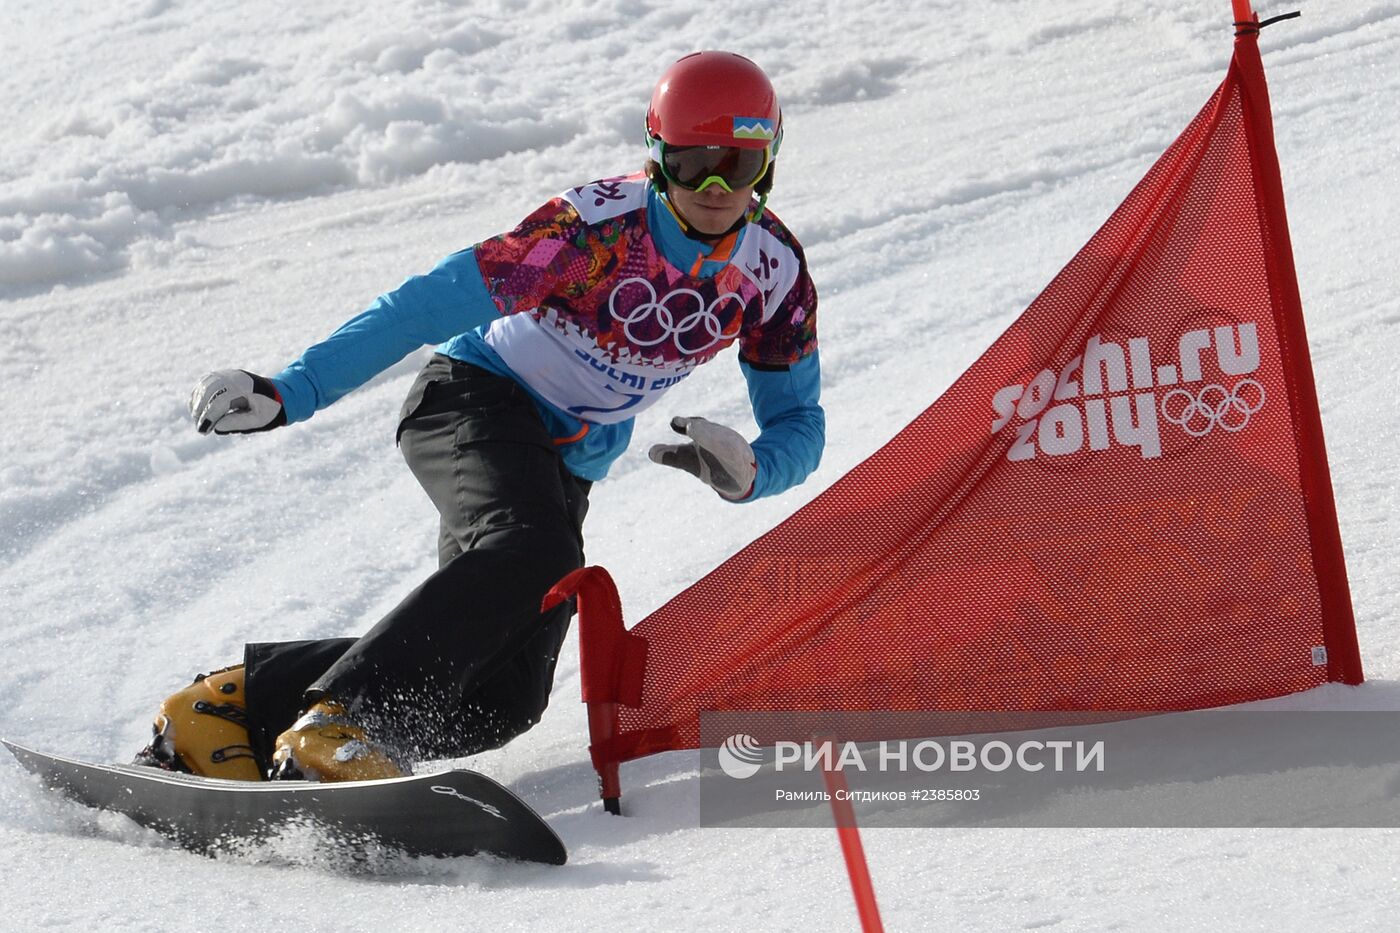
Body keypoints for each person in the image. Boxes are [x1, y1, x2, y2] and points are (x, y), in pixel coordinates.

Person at [136, 50, 824, 782]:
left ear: (770, 161)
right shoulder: (595, 232)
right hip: (471, 399)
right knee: (536, 553)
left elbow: (800, 422)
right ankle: (343, 722)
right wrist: (294, 389)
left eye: (740, 164)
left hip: (565, 461)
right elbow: (427, 302)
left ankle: (233, 709)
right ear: (657, 156)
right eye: (693, 164)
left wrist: (754, 471)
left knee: (504, 692)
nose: (716, 187)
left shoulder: (773, 274)